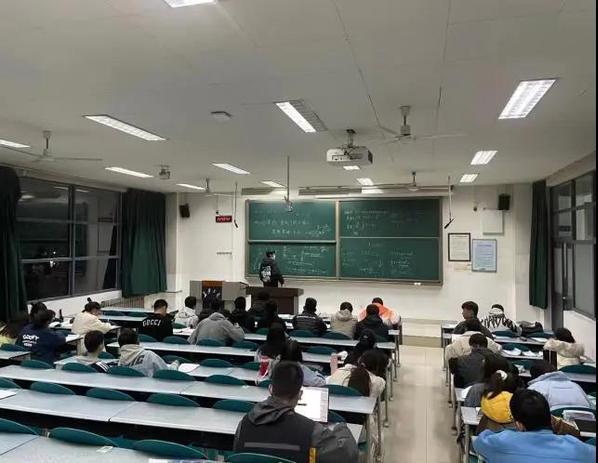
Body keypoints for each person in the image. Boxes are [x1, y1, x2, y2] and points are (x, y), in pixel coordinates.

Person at [234, 361, 359, 463]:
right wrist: (341, 428)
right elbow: (348, 456)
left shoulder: (243, 424)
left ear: (270, 389)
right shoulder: (312, 431)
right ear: (300, 395)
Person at [473, 389, 596, 463]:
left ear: (519, 425)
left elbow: (479, 442)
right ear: (549, 417)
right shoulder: (576, 447)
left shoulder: (500, 442)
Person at [527, 360, 592, 410]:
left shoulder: (534, 388)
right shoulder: (576, 386)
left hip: (554, 422)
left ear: (533, 376)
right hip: (586, 422)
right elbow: (592, 407)